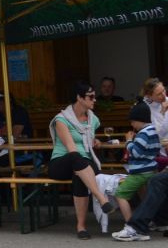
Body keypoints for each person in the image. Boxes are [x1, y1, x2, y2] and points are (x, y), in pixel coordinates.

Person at [47, 81, 116, 240]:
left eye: (94, 96)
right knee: (75, 157)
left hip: (83, 163)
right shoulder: (61, 120)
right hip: (61, 163)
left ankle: (81, 226)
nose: (94, 99)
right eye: (91, 97)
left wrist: (95, 141)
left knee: (79, 174)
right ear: (79, 98)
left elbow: (87, 139)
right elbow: (71, 147)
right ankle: (101, 198)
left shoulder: (93, 119)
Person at [113, 102, 161, 225]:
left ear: (140, 120)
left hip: (140, 172)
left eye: (133, 121)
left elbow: (135, 152)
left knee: (120, 194)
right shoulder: (153, 130)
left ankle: (132, 225)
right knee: (145, 197)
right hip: (151, 169)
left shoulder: (143, 133)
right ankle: (150, 221)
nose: (131, 124)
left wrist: (129, 141)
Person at [140, 77, 168, 143]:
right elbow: (158, 134)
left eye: (163, 90)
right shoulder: (144, 108)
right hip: (158, 145)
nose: (164, 95)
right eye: (159, 94)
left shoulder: (166, 99)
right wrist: (163, 113)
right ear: (149, 96)